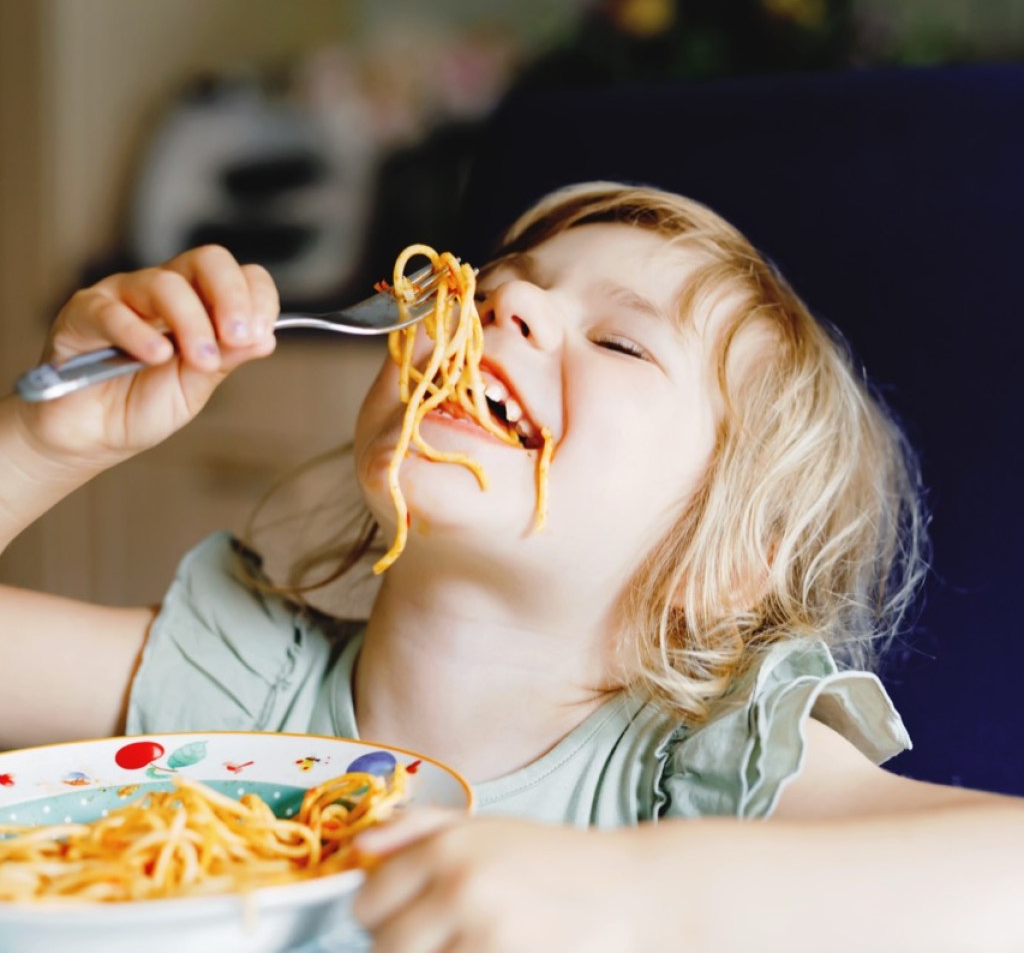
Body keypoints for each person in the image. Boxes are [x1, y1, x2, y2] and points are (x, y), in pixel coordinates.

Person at [1, 182, 1022, 951]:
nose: (505, 307)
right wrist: (43, 443)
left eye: (620, 344)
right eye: (489, 290)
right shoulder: (241, 689)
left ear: (725, 569)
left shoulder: (699, 771)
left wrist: (643, 895)